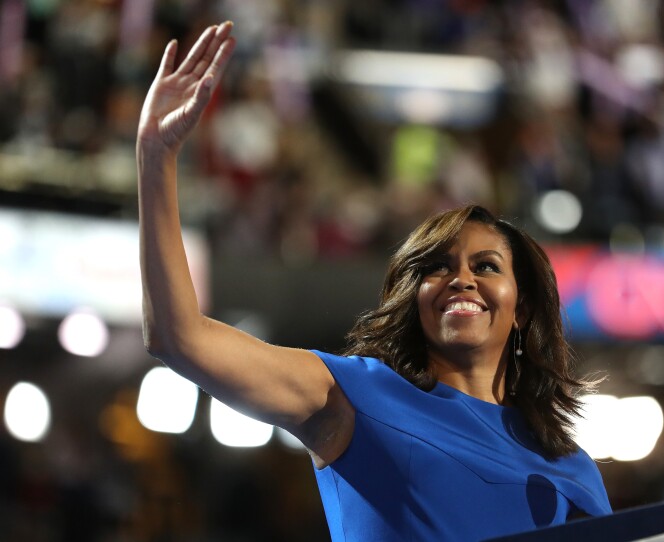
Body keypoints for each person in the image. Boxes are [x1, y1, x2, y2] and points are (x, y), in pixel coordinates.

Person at [137, 21, 611, 541]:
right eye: (437, 266)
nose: (461, 279)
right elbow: (178, 336)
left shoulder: (573, 471)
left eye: (487, 266)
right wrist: (156, 158)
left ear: (521, 308)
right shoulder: (353, 396)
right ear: (415, 300)